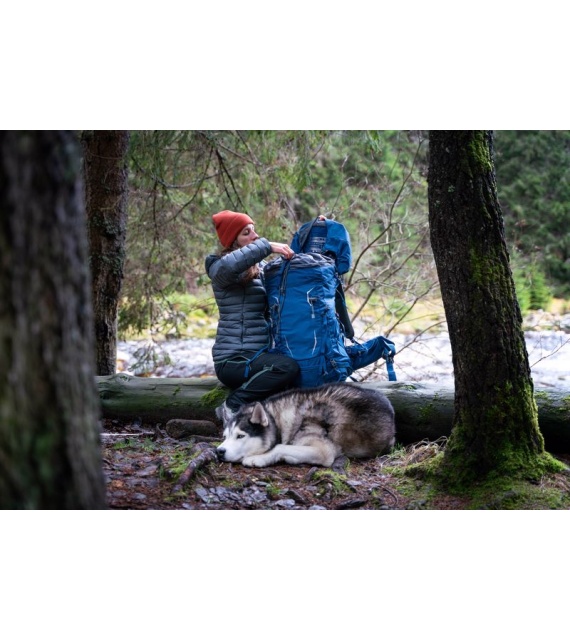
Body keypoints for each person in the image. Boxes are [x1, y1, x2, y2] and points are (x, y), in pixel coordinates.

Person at [206, 210, 300, 423]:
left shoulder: (260, 269)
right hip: (233, 360)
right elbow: (231, 265)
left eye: (254, 230)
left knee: (292, 372)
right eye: (246, 233)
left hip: (256, 355)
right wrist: (267, 246)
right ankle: (233, 405)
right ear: (233, 241)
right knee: (286, 367)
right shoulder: (218, 267)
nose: (255, 236)